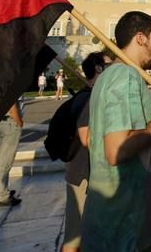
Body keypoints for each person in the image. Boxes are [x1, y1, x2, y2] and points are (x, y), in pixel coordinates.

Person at [80, 11, 151, 252]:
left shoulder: (113, 75)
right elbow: (116, 150)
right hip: (120, 227)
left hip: (123, 222)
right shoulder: (125, 75)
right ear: (140, 38)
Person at [62, 52, 111, 252]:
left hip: (86, 172)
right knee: (75, 238)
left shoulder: (91, 94)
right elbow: (86, 138)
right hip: (82, 174)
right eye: (110, 64)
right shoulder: (89, 98)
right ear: (99, 69)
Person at [0, 96, 24, 206]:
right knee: (5, 160)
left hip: (1, 119)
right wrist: (18, 119)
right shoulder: (9, 80)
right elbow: (10, 99)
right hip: (10, 120)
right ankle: (1, 194)